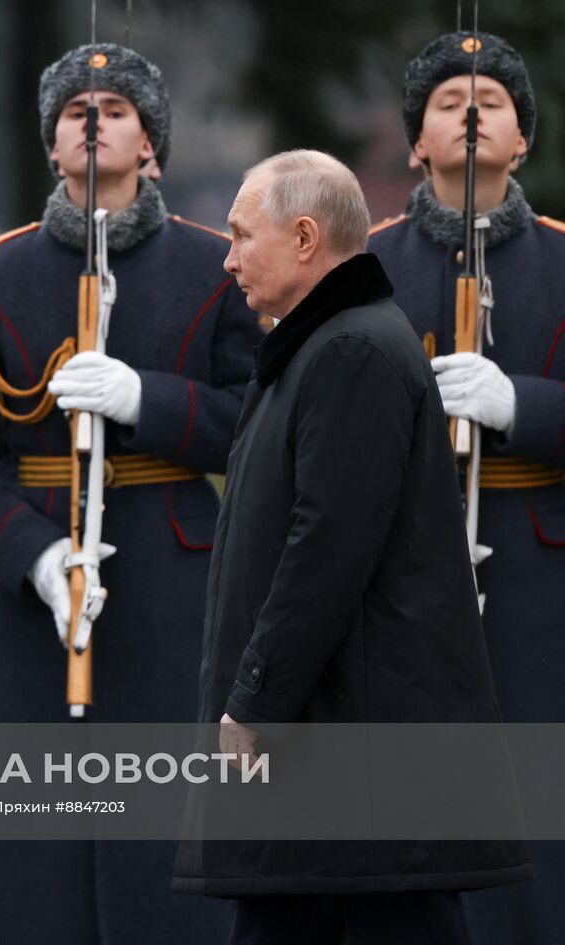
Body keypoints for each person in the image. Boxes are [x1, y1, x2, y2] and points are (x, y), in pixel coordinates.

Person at [0, 41, 260, 944]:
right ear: (50, 143)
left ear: (150, 143)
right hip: (42, 581)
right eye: (75, 110)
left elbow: (258, 426)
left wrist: (147, 400)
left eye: (115, 109)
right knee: (45, 863)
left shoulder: (217, 264)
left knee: (169, 858)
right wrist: (27, 552)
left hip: (177, 581)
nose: (92, 121)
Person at [172, 149, 530, 943]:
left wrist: (255, 696)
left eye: (241, 236)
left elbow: (326, 547)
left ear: (305, 237)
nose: (227, 258)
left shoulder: (350, 350)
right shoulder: (320, 346)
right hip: (335, 769)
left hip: (358, 772)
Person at [368, 31, 565, 943]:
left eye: (494, 100)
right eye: (449, 102)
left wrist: (520, 403)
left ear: (523, 136)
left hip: (541, 575)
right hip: (403, 568)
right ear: (415, 142)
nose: (473, 112)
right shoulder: (356, 267)